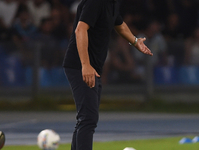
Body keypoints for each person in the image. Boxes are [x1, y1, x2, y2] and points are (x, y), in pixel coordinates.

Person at [62, 0, 153, 150]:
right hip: (80, 65)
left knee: (85, 119)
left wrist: (136, 42)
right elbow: (80, 30)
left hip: (92, 66)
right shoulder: (96, 2)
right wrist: (85, 65)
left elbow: (120, 25)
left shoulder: (112, 3)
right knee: (88, 119)